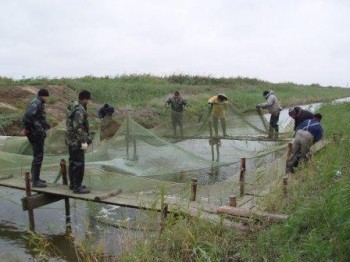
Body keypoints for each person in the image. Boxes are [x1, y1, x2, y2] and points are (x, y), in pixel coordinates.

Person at [21, 89, 50, 187]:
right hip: (35, 133)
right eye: (47, 96)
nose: (47, 98)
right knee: (38, 156)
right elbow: (28, 116)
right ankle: (35, 180)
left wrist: (45, 125)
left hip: (36, 132)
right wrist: (27, 129)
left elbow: (37, 117)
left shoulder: (38, 103)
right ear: (43, 96)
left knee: (37, 156)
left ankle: (35, 178)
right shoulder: (36, 103)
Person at [65, 90, 93, 194]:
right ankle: (77, 187)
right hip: (76, 141)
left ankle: (73, 184)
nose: (89, 102)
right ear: (85, 99)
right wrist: (83, 141)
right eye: (88, 99)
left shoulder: (73, 106)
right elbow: (78, 127)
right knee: (79, 164)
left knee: (73, 163)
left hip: (70, 139)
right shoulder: (80, 109)